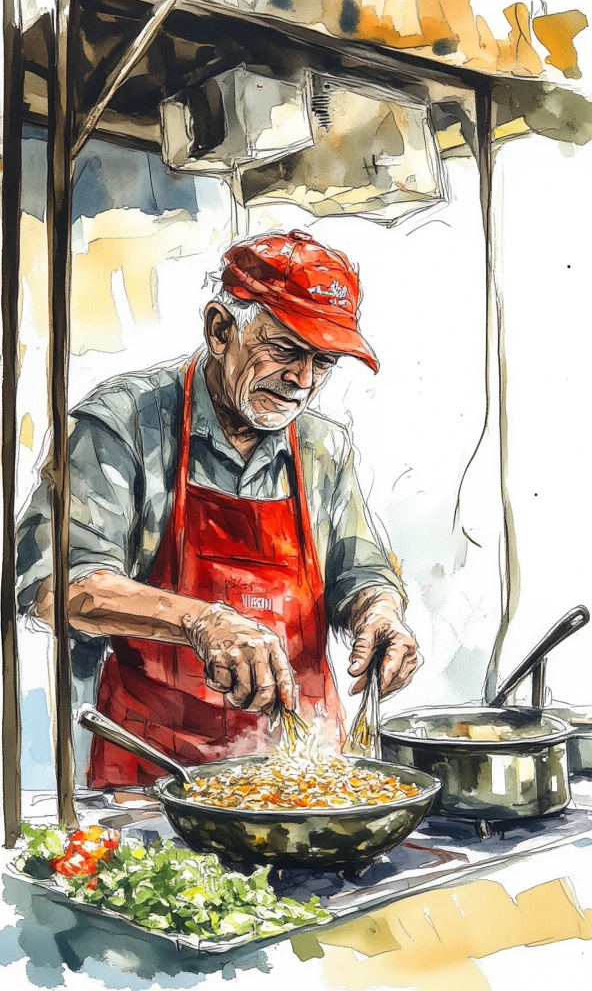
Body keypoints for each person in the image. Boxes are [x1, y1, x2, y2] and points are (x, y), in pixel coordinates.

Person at [17, 229, 419, 787]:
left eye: (322, 362)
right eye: (283, 350)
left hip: (306, 776)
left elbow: (362, 572)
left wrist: (381, 615)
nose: (302, 382)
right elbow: (55, 586)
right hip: (158, 776)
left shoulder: (323, 448)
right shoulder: (125, 421)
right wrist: (203, 622)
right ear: (219, 328)